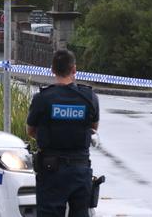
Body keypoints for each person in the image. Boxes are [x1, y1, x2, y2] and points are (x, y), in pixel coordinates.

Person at [27, 49, 100, 217]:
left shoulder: (42, 98)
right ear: (74, 69)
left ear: (52, 69)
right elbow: (94, 128)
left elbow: (30, 130)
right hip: (80, 170)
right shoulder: (89, 97)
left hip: (51, 170)